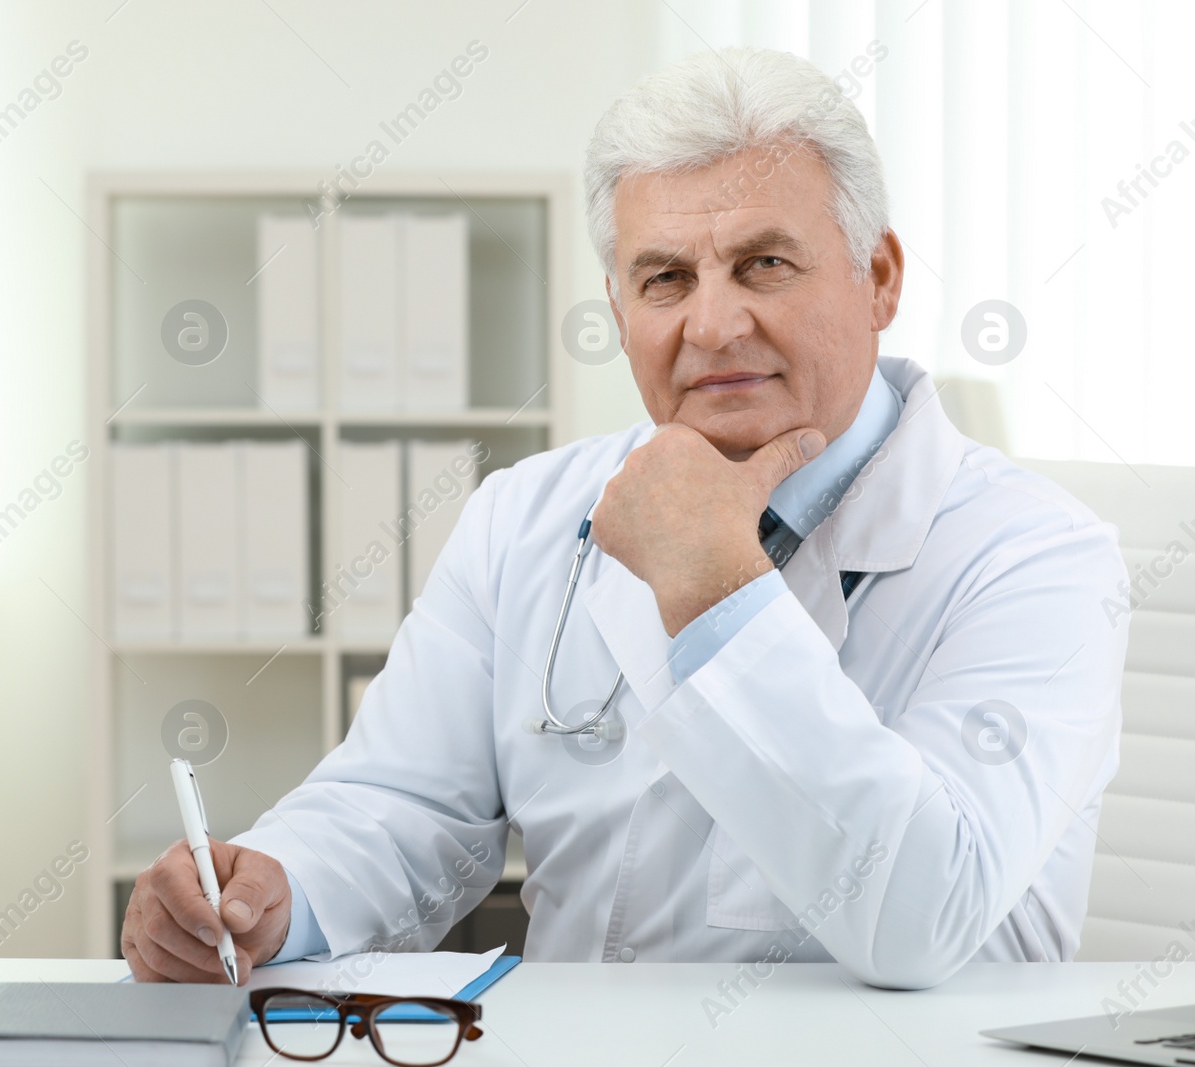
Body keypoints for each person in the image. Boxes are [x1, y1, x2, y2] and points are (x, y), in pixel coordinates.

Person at [121, 47, 1128, 990]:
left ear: (878, 278)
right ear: (616, 305)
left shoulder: (1037, 557)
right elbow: (402, 806)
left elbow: (927, 912)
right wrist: (269, 894)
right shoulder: (527, 515)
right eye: (666, 278)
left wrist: (713, 586)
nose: (714, 323)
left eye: (764, 263)